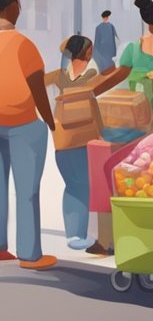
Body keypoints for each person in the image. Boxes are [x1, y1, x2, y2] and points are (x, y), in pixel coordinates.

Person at [0, 0, 58, 270]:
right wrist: (49, 120)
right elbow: (38, 88)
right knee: (26, 190)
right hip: (23, 124)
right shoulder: (23, 44)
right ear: (12, 7)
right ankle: (30, 254)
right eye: (19, 4)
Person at [46, 35, 100, 250]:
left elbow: (36, 84)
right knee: (83, 186)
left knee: (74, 186)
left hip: (62, 139)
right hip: (84, 139)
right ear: (87, 53)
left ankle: (75, 234)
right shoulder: (92, 76)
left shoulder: (58, 77)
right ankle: (78, 235)